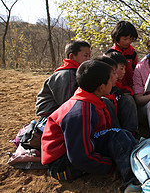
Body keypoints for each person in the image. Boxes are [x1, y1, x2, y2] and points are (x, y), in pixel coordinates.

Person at [40, 60, 141, 193]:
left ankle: (138, 163)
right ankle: (133, 181)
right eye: (111, 80)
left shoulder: (91, 99)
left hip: (79, 152)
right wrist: (111, 167)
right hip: (62, 165)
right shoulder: (79, 112)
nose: (115, 81)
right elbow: (80, 157)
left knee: (123, 135)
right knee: (118, 137)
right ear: (101, 87)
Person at [35, 40, 91, 118]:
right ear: (72, 56)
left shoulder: (77, 72)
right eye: (85, 55)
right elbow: (69, 103)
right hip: (51, 116)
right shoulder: (66, 74)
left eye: (89, 56)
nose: (88, 59)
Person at [97, 54, 138, 136]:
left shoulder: (117, 90)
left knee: (128, 99)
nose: (116, 76)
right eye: (113, 73)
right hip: (106, 134)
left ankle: (131, 135)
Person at [108, 21, 139, 88]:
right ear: (117, 37)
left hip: (131, 88)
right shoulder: (110, 54)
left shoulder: (132, 53)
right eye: (125, 39)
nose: (128, 42)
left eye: (130, 39)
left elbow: (137, 72)